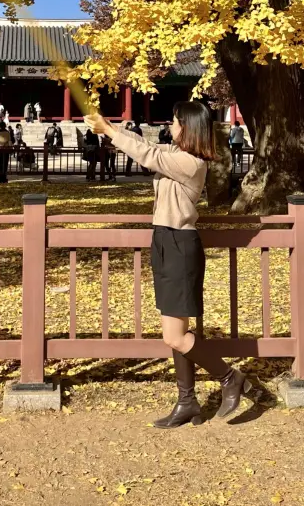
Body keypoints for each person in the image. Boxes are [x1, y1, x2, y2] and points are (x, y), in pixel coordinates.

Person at [84, 102, 250, 428]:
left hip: (179, 246)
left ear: (187, 127)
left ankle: (230, 378)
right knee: (176, 333)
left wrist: (109, 131)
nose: (170, 125)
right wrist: (111, 127)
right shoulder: (177, 153)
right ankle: (187, 402)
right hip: (165, 241)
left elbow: (150, 157)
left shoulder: (190, 163)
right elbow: (148, 147)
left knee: (175, 337)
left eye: (174, 122)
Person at [0, 118, 12, 184]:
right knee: (5, 164)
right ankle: (4, 177)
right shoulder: (7, 132)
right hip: (5, 149)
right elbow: (9, 142)